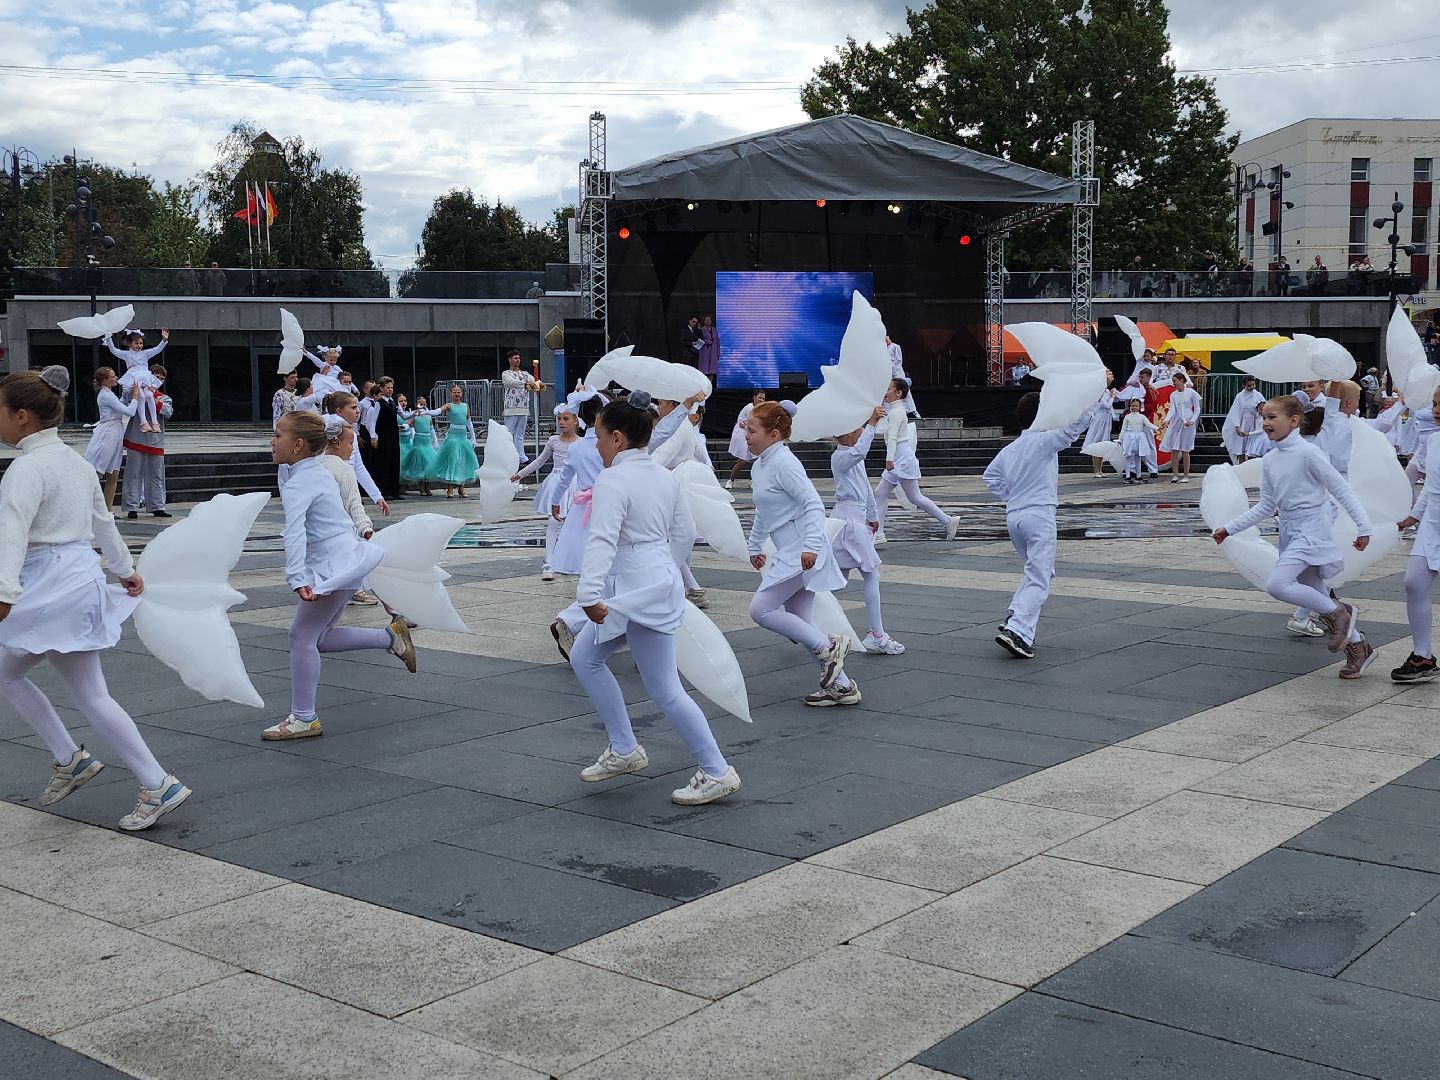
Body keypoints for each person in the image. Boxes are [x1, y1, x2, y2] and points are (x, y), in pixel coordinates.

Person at [0, 366, 191, 830]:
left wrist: (4, 594)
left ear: (22, 416)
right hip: (79, 578)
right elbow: (103, 522)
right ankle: (144, 777)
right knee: (90, 692)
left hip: (46, 583)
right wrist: (125, 569)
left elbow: (11, 534)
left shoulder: (25, 469)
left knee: (11, 675)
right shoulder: (75, 461)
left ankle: (74, 758)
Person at [551, 394, 741, 805]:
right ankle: (624, 748)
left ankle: (715, 768)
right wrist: (662, 571)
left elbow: (601, 539)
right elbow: (684, 533)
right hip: (647, 585)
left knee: (664, 687)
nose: (595, 441)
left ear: (617, 438)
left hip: (634, 589)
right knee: (587, 658)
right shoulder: (662, 475)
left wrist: (588, 595)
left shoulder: (614, 480)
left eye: (598, 434)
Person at [264, 411, 417, 741]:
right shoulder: (316, 472)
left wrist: (297, 578)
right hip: (346, 562)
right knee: (316, 638)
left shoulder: (300, 481)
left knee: (300, 638)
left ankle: (304, 717)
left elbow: (293, 534)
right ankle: (389, 638)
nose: (272, 441)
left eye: (278, 435)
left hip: (334, 566)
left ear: (298, 445)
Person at [1212, 395, 1375, 679]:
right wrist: (1230, 528)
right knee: (1317, 591)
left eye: (1272, 417)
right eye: (1263, 417)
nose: (1265, 423)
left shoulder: (1308, 453)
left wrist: (1364, 526)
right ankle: (1360, 649)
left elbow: (1341, 489)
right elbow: (1265, 505)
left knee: (1277, 584)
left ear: (1294, 421)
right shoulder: (1271, 459)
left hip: (1312, 530)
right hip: (1289, 530)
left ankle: (1340, 614)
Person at [745, 400, 858, 706]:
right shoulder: (761, 465)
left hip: (799, 549)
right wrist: (754, 546)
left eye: (752, 430)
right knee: (800, 619)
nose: (746, 434)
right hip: (790, 548)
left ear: (774, 433)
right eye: (746, 428)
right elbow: (763, 510)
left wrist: (811, 546)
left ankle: (829, 645)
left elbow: (812, 503)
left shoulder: (784, 462)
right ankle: (843, 687)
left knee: (761, 610)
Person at [985, 393, 1095, 658]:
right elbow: (1072, 430)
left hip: (1015, 517)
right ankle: (1018, 627)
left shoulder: (1011, 448)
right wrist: (1092, 399)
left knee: (1037, 571)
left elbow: (990, 477)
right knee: (1040, 576)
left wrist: (1011, 496)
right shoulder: (1043, 441)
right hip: (1039, 514)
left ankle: (1017, 618)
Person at [831, 406, 902, 654]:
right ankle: (877, 634)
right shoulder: (841, 456)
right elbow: (861, 453)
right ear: (848, 434)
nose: (861, 430)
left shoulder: (850, 454)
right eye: (858, 428)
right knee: (869, 574)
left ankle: (803, 618)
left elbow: (865, 489)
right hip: (849, 521)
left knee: (837, 580)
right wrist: (871, 423)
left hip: (853, 520)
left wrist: (872, 516)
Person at [874, 378, 960, 542]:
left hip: (901, 459)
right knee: (883, 493)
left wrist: (889, 459)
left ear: (899, 393)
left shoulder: (897, 412)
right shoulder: (895, 411)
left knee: (913, 497)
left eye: (889, 388)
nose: (886, 391)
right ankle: (879, 533)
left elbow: (892, 438)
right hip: (900, 458)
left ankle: (948, 521)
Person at [1394, 385, 1440, 682]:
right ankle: (1422, 655)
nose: (1436, 410)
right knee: (1413, 583)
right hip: (1432, 527)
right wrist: (1411, 517)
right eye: (1435, 403)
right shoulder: (1433, 441)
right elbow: (1430, 488)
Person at [513, 401, 581, 582]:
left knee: (573, 523)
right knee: (553, 521)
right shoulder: (553, 441)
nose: (561, 422)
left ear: (575, 421)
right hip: (557, 482)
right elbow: (539, 461)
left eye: (566, 419)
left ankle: (569, 560)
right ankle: (549, 561)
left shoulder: (581, 443)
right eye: (559, 419)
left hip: (575, 483)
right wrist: (520, 474)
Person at [549, 392, 607, 576]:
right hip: (608, 500)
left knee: (582, 547)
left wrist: (555, 501)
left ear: (580, 418)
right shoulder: (610, 442)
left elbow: (564, 479)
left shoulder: (576, 447)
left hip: (583, 506)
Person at [82, 367, 140, 512]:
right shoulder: (105, 395)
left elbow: (120, 405)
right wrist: (135, 397)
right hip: (108, 433)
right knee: (98, 470)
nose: (116, 378)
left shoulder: (109, 394)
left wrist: (128, 396)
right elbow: (130, 412)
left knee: (113, 474)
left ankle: (108, 509)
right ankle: (86, 507)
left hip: (116, 431)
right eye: (113, 376)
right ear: (105, 380)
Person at [121, 366, 173, 519]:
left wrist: (156, 399)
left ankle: (157, 506)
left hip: (156, 441)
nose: (159, 381)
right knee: (133, 473)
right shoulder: (136, 394)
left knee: (156, 475)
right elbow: (125, 398)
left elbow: (168, 412)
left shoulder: (164, 397)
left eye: (162, 379)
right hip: (136, 438)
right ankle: (132, 507)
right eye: (156, 377)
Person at [103, 327, 168, 432]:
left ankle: (155, 422)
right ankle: (144, 422)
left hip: (145, 378)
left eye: (141, 343)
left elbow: (157, 349)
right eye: (136, 343)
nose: (139, 346)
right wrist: (109, 339)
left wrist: (164, 340)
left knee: (149, 396)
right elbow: (114, 351)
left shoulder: (145, 353)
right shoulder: (127, 354)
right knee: (141, 397)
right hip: (135, 378)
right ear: (129, 344)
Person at [432, 384, 480, 499]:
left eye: (458, 392)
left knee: (462, 461)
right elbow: (438, 411)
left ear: (462, 393)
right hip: (453, 437)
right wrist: (426, 412)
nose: (457, 394)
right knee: (453, 460)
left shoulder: (465, 406)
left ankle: (461, 488)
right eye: (454, 392)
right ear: (451, 393)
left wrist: (473, 437)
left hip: (463, 437)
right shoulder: (449, 406)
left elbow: (469, 421)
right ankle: (450, 489)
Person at [1160, 371, 1201, 483]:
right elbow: (1172, 409)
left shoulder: (1191, 392)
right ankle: (1175, 475)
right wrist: (1167, 420)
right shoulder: (1173, 394)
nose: (1174, 383)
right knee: (1174, 449)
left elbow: (1197, 408)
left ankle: (1186, 475)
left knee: (1185, 449)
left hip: (1188, 421)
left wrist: (1192, 421)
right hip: (1176, 422)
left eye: (1175, 381)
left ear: (1181, 380)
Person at [501, 350, 539, 464]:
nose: (517, 360)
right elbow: (509, 382)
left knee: (520, 434)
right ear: (510, 360)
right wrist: (525, 384)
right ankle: (508, 455)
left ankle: (521, 456)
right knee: (509, 433)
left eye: (518, 358)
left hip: (523, 407)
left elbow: (535, 381)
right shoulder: (506, 373)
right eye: (515, 358)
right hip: (511, 407)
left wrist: (539, 384)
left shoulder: (525, 374)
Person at [1222, 375, 1268, 464]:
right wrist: (1237, 425)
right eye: (1249, 385)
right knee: (1241, 448)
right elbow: (1235, 411)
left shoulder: (1258, 395)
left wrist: (1261, 414)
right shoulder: (1240, 396)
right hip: (1243, 423)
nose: (1251, 387)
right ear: (1244, 385)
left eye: (1253, 385)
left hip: (1255, 423)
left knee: (1253, 447)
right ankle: (1241, 466)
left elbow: (1264, 407)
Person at [401, 395, 440, 497]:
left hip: (427, 443)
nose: (422, 405)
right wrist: (403, 427)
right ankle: (421, 488)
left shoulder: (428, 416)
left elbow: (431, 429)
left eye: (424, 404)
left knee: (428, 465)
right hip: (418, 443)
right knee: (420, 467)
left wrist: (435, 441)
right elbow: (408, 424)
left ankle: (427, 487)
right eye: (420, 404)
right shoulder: (415, 416)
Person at [726, 390, 765, 489]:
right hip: (741, 434)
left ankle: (752, 481)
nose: (761, 400)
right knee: (741, 462)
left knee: (756, 460)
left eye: (763, 398)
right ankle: (730, 480)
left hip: (751, 433)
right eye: (760, 397)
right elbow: (741, 423)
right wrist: (749, 428)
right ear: (754, 397)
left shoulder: (761, 410)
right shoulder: (748, 408)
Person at [373, 377, 403, 501]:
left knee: (395, 461)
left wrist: (416, 413)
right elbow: (372, 421)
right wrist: (373, 436)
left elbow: (403, 415)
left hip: (394, 434)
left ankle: (395, 490)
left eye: (391, 388)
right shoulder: (379, 403)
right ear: (381, 389)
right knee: (385, 461)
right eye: (387, 388)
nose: (390, 390)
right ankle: (384, 491)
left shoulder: (393, 402)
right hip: (383, 434)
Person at [1083, 371, 1117, 477]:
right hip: (1099, 418)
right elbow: (1106, 405)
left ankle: (1100, 470)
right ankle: (1096, 470)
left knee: (1103, 443)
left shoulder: (1106, 390)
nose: (1112, 375)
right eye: (1109, 374)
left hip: (1106, 418)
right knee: (1096, 442)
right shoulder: (1100, 391)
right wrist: (1113, 397)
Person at [1118, 399, 1158, 483]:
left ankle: (1138, 476)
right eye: (1132, 406)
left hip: (1139, 437)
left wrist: (1156, 428)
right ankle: (1128, 476)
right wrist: (1120, 438)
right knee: (1128, 456)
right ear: (1129, 406)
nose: (1134, 407)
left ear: (1140, 407)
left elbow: (1148, 424)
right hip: (1130, 437)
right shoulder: (1127, 417)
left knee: (1138, 457)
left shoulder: (1142, 417)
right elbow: (1123, 428)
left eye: (1136, 406)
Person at [886, 334, 920, 416]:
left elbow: (898, 360)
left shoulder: (895, 347)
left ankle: (913, 411)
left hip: (896, 372)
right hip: (887, 373)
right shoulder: (883, 349)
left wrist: (893, 370)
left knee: (904, 391)